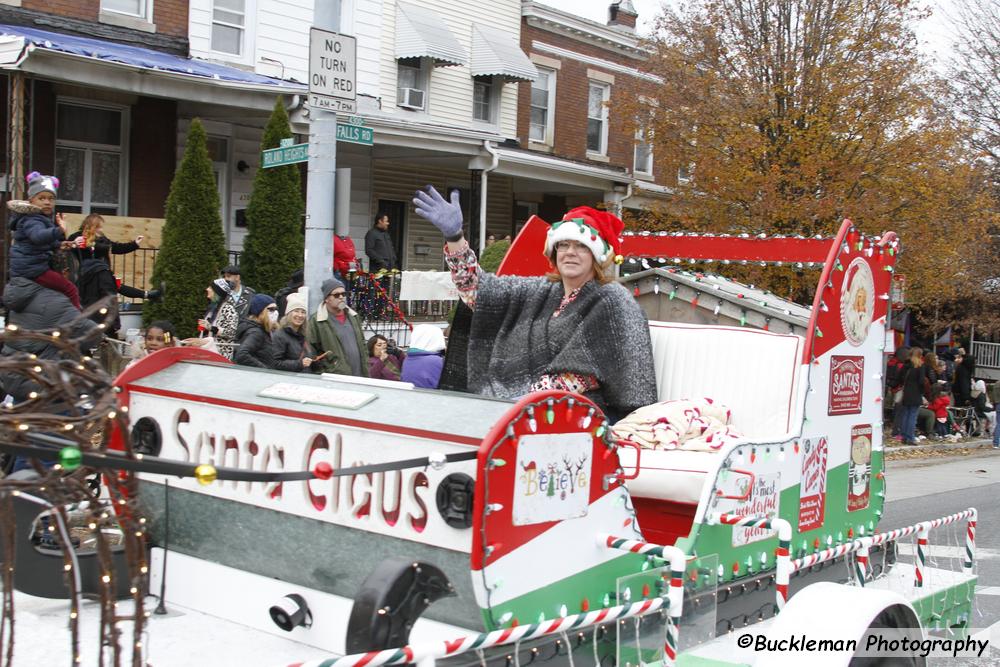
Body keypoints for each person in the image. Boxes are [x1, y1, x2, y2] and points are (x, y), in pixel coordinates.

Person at [413, 186, 657, 421]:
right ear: (554, 251)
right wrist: (455, 238)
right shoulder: (541, 290)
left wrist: (517, 404)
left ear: (597, 256)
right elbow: (476, 291)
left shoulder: (613, 299)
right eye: (564, 244)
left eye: (581, 246)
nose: (570, 252)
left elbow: (582, 376)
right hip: (519, 406)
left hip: (578, 413)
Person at [7, 171, 80, 309]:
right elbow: (38, 237)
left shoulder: (39, 218)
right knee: (70, 289)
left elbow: (43, 242)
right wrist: (59, 230)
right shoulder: (32, 219)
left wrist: (60, 244)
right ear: (31, 200)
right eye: (42, 198)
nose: (47, 202)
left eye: (51, 199)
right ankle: (77, 321)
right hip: (32, 268)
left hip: (31, 266)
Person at [306, 278, 368, 377]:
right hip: (335, 379)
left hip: (359, 376)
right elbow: (311, 352)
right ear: (326, 299)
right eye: (336, 295)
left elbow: (363, 345)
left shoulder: (353, 316)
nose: (341, 297)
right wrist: (327, 370)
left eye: (343, 294)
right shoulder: (316, 321)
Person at [272, 292, 321, 373]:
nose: (300, 315)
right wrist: (299, 364)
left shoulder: (305, 335)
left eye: (303, 312)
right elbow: (275, 363)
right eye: (296, 311)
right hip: (290, 383)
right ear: (289, 314)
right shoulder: (279, 336)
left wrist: (316, 362)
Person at [198, 278, 240, 359]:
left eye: (210, 287)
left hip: (220, 356)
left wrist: (211, 328)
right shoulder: (212, 307)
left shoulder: (229, 309)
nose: (207, 289)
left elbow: (231, 332)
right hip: (208, 353)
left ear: (217, 292)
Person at [234, 294, 279, 369]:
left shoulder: (266, 330)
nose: (275, 312)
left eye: (276, 309)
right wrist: (265, 370)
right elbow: (241, 355)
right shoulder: (256, 332)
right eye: (271, 309)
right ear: (260, 312)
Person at [899, 348, 929, 446]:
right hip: (916, 393)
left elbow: (900, 377)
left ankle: (904, 436)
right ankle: (910, 437)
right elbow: (921, 381)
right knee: (913, 415)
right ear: (920, 355)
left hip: (906, 392)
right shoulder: (920, 365)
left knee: (905, 414)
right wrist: (922, 391)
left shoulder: (906, 364)